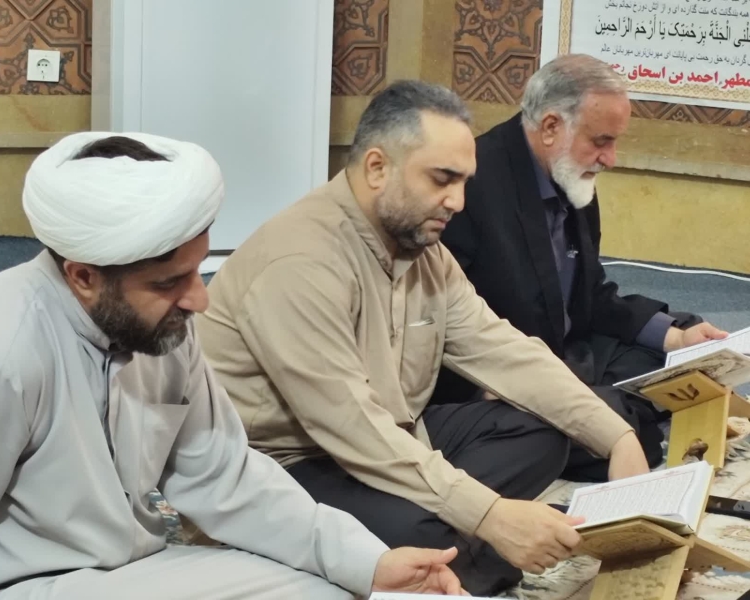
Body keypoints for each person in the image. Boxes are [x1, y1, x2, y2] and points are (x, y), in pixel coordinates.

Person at [0, 132, 467, 600]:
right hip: (19, 586)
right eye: (169, 282)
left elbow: (224, 474)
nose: (200, 299)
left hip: (136, 568)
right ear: (84, 277)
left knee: (335, 589)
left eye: (198, 271)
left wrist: (368, 563)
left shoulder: (162, 328)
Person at [195, 80, 650, 596]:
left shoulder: (422, 248)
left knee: (545, 432)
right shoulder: (300, 262)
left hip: (395, 435)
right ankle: (454, 560)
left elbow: (503, 350)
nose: (458, 201)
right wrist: (490, 514)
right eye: (442, 179)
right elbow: (353, 429)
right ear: (376, 168)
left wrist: (616, 436)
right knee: (425, 530)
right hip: (286, 464)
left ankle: (446, 557)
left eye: (464, 182)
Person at [432, 54, 727, 482]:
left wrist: (676, 337)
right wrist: (497, 385)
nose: (611, 159)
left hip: (572, 353)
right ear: (551, 126)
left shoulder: (572, 172)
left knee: (686, 352)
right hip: (507, 378)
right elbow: (438, 322)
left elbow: (589, 293)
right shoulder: (472, 186)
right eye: (602, 141)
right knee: (616, 419)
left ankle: (621, 411)